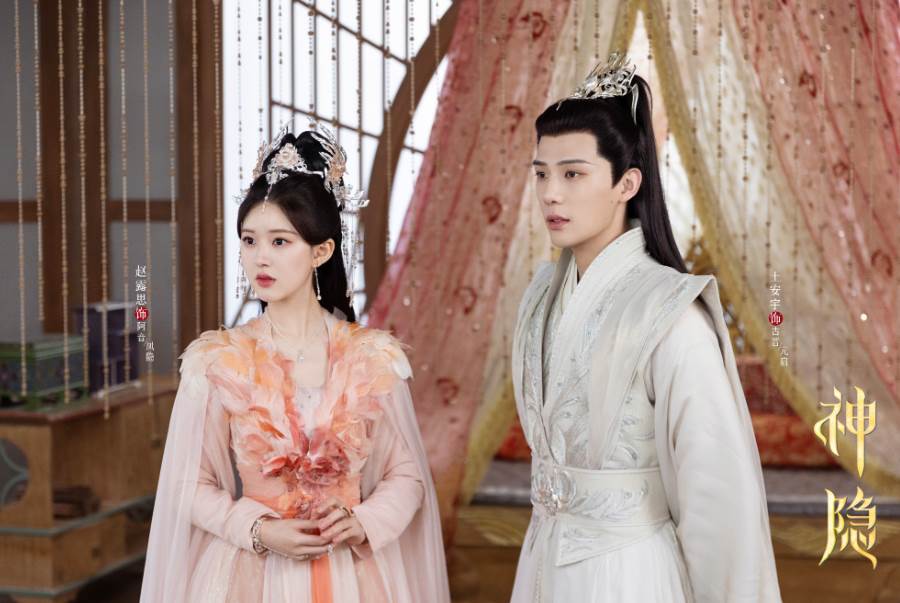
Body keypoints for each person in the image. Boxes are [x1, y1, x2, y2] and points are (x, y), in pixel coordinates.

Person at [509, 53, 782, 602]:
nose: (551, 193)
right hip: (542, 564)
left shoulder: (670, 313)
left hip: (627, 573)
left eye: (572, 174)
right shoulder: (540, 296)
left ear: (627, 183)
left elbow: (718, 496)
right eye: (541, 173)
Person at [140, 125, 450, 603]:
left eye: (280, 242)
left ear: (321, 251)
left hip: (351, 574)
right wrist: (258, 528)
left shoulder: (371, 358)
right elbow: (186, 482)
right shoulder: (219, 361)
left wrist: (362, 522)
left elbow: (406, 476)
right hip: (250, 573)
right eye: (249, 241)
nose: (260, 258)